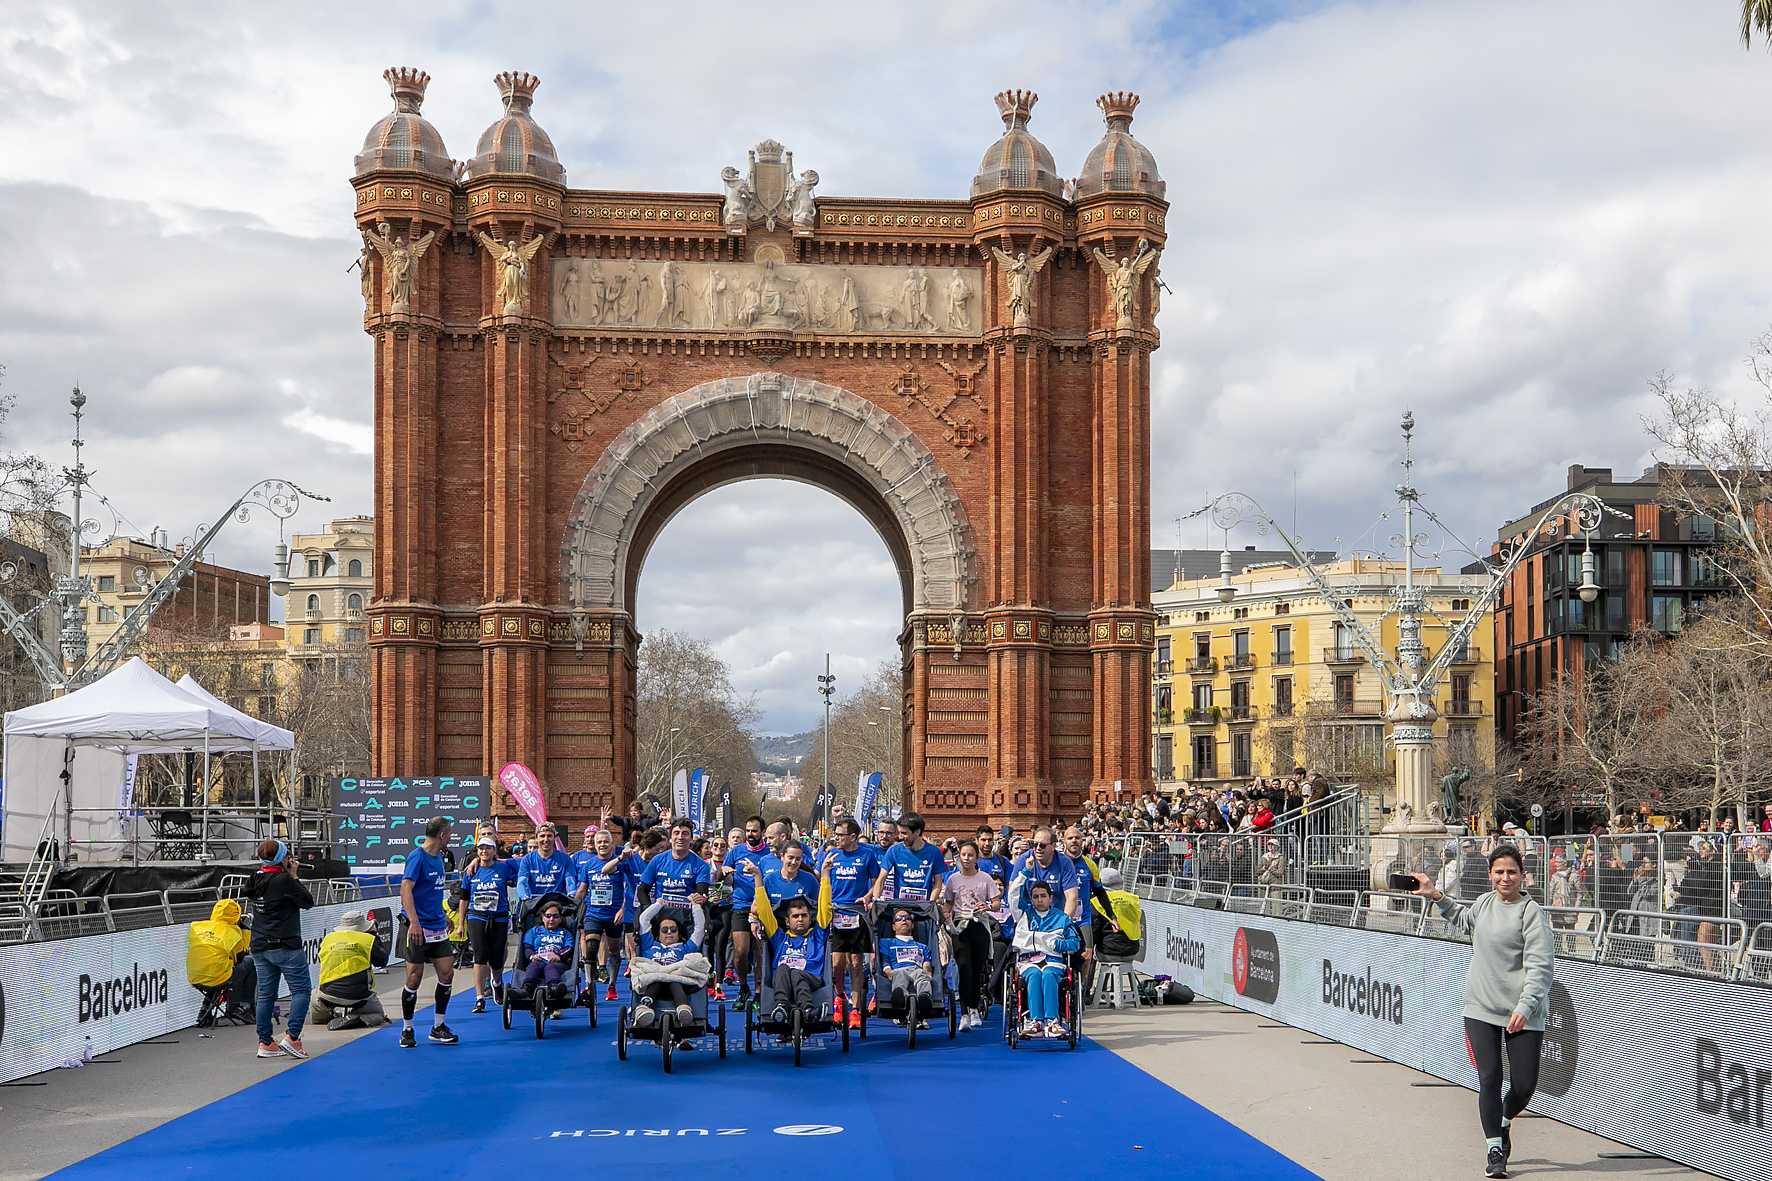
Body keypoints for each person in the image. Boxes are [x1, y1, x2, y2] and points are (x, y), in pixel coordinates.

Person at [1411, 845, 1554, 1178]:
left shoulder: (1531, 913)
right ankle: (1494, 1150)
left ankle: (1503, 1121)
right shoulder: (1484, 903)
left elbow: (1540, 967)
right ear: (1490, 874)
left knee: (1524, 1086)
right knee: (1489, 1078)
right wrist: (1435, 894)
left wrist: (1526, 1005)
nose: (1505, 878)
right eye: (1499, 872)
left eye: (1512, 872)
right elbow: (1463, 920)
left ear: (1522, 875)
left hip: (1522, 1013)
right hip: (1480, 1008)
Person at [246, 839, 314, 1059]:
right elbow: (307, 901)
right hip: (285, 944)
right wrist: (294, 875)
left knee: (266, 994)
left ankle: (265, 1041)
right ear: (282, 858)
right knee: (301, 990)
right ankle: (292, 1037)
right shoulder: (285, 880)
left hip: (259, 944)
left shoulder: (255, 878)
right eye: (288, 855)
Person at [749, 859, 834, 1025]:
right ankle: (781, 1006)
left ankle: (808, 1010)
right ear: (787, 921)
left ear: (811, 918)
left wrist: (825, 874)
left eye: (804, 916)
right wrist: (758, 877)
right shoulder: (780, 936)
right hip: (783, 979)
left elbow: (825, 907)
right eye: (795, 916)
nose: (800, 920)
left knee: (795, 972)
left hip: (812, 977)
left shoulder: (817, 934)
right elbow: (764, 910)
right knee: (783, 968)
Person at [399, 817, 460, 1047]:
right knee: (414, 978)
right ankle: (407, 1029)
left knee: (447, 974)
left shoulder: (438, 858)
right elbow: (406, 890)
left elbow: (431, 891)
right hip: (417, 927)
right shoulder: (418, 856)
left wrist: (443, 915)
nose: (451, 837)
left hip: (437, 925)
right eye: (450, 833)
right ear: (442, 835)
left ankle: (438, 1026)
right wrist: (414, 922)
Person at [821, 820, 883, 1030]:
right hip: (835, 912)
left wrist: (867, 896)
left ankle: (856, 1009)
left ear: (853, 837)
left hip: (857, 913)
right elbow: (820, 879)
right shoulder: (830, 855)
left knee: (857, 964)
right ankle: (839, 998)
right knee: (837, 963)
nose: (836, 838)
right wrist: (825, 871)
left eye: (840, 834)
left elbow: (876, 882)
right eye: (835, 834)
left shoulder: (867, 855)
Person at [1009, 874, 1080, 1039]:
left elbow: (1074, 943)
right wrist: (1024, 873)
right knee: (1034, 975)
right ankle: (1035, 1022)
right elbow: (1012, 895)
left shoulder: (1061, 918)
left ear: (1051, 897)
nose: (1039, 900)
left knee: (1047, 975)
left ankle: (1052, 1021)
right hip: (1028, 961)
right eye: (1035, 897)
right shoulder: (1024, 914)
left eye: (1043, 896)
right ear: (1031, 899)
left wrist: (1058, 945)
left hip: (1053, 961)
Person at [941, 839, 1002, 1029]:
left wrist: (989, 906)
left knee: (977, 970)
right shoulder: (952, 879)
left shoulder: (985, 878)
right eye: (963, 855)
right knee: (964, 967)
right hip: (959, 925)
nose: (966, 858)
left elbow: (996, 903)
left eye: (970, 855)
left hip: (979, 925)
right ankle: (964, 1012)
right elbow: (949, 902)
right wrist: (945, 912)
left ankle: (974, 1008)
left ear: (976, 858)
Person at [456, 834, 516, 1013]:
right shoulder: (471, 871)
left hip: (498, 917)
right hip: (477, 916)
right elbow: (464, 898)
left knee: (497, 958)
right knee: (480, 956)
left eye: (488, 848)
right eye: (481, 849)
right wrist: (460, 924)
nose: (484, 851)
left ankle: (497, 983)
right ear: (477, 851)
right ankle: (479, 997)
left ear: (494, 851)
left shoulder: (503, 868)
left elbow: (520, 869)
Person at [631, 900, 710, 1029]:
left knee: (674, 981)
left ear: (678, 933)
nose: (669, 932)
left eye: (673, 929)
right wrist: (659, 904)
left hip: (677, 983)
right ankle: (645, 1008)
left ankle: (683, 1010)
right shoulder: (649, 945)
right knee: (655, 979)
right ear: (658, 933)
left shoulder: (685, 948)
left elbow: (700, 929)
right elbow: (643, 919)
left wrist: (695, 906)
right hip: (653, 982)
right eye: (664, 929)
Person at [573, 827, 628, 1001]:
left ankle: (611, 985)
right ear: (594, 846)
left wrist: (622, 909)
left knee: (613, 950)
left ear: (612, 844)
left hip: (614, 914)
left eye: (606, 841)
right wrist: (574, 907)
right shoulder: (588, 865)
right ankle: (589, 985)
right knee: (591, 948)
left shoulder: (621, 864)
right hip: (593, 912)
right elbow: (582, 889)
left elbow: (628, 890)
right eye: (599, 842)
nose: (602, 844)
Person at [721, 815, 770, 1008]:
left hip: (762, 906)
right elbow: (721, 874)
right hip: (740, 906)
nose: (750, 834)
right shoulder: (736, 851)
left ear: (762, 833)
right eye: (748, 830)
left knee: (760, 951)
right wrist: (723, 869)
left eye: (754, 831)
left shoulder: (768, 853)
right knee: (741, 952)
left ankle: (758, 993)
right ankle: (743, 987)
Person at [312, 910, 390, 1029]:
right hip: (358, 995)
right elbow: (382, 961)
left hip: (328, 993)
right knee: (378, 1014)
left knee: (313, 995)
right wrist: (374, 935)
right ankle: (357, 1019)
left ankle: (327, 1017)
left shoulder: (328, 939)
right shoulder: (368, 940)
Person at [185, 896, 254, 1025]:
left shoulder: (197, 927)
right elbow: (240, 958)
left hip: (194, 977)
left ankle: (204, 1010)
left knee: (218, 967)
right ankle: (244, 1007)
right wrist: (246, 930)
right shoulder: (233, 933)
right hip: (218, 977)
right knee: (251, 963)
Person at [877, 907, 936, 1027]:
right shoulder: (887, 942)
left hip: (917, 969)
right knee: (899, 975)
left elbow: (926, 962)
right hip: (898, 969)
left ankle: (924, 998)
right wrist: (887, 970)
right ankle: (899, 998)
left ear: (913, 925)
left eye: (907, 918)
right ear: (893, 926)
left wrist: (927, 971)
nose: (904, 920)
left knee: (923, 976)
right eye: (899, 918)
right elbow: (885, 960)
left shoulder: (922, 946)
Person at [638, 818, 712, 909]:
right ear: (670, 838)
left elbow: (702, 893)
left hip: (688, 916)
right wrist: (650, 910)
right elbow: (642, 890)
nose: (680, 837)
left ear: (691, 839)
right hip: (661, 915)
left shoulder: (701, 865)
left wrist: (700, 899)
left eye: (685, 833)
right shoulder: (657, 860)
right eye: (676, 833)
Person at [882, 812, 948, 901]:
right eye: (899, 832)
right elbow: (881, 878)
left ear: (917, 832)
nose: (900, 837)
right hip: (900, 905)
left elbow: (938, 883)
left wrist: (930, 903)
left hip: (924, 906)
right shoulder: (894, 850)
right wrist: (875, 900)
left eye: (904, 833)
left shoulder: (934, 852)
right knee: (902, 916)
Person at [513, 823, 579, 910]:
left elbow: (570, 882)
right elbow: (521, 883)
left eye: (549, 836)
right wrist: (525, 898)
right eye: (542, 836)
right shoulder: (527, 859)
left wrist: (571, 895)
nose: (546, 839)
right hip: (535, 905)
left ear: (554, 838)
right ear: (536, 838)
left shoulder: (565, 858)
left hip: (558, 905)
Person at [518, 900, 574, 994]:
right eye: (548, 916)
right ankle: (526, 988)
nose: (551, 919)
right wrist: (532, 956)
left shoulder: (565, 933)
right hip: (538, 960)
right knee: (534, 966)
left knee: (551, 967)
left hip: (557, 963)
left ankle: (554, 988)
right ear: (542, 917)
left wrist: (559, 956)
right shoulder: (533, 931)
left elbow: (569, 948)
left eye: (555, 916)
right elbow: (527, 947)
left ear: (560, 918)